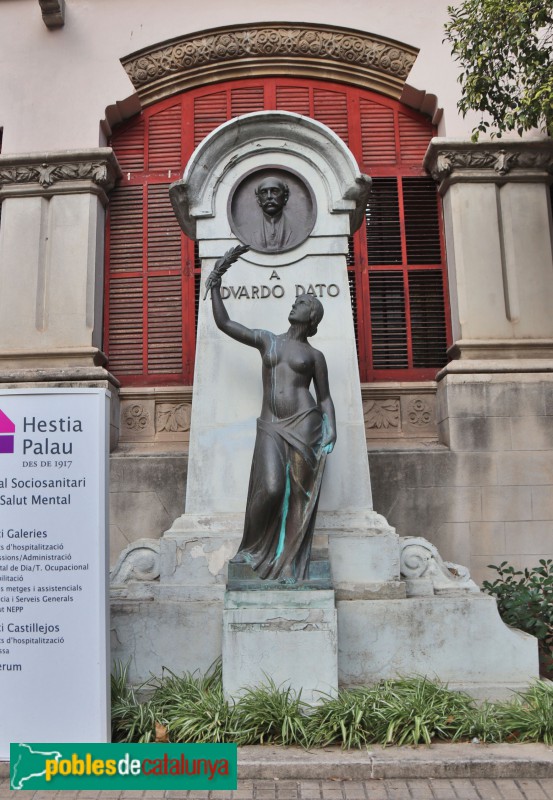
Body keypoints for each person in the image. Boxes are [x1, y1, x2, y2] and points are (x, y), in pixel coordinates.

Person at [206, 246, 336, 583]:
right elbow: (225, 324)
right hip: (271, 426)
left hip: (305, 427)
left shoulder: (315, 356)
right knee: (271, 488)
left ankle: (287, 560)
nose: (295, 304)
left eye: (302, 303)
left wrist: (332, 429)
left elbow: (324, 398)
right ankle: (251, 549)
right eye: (297, 301)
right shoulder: (268, 341)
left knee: (298, 498)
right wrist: (216, 285)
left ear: (311, 317)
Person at [249, 176, 294, 252]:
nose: (269, 197)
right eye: (264, 193)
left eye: (275, 192)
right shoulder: (248, 229)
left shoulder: (299, 227)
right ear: (258, 200)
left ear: (285, 197)